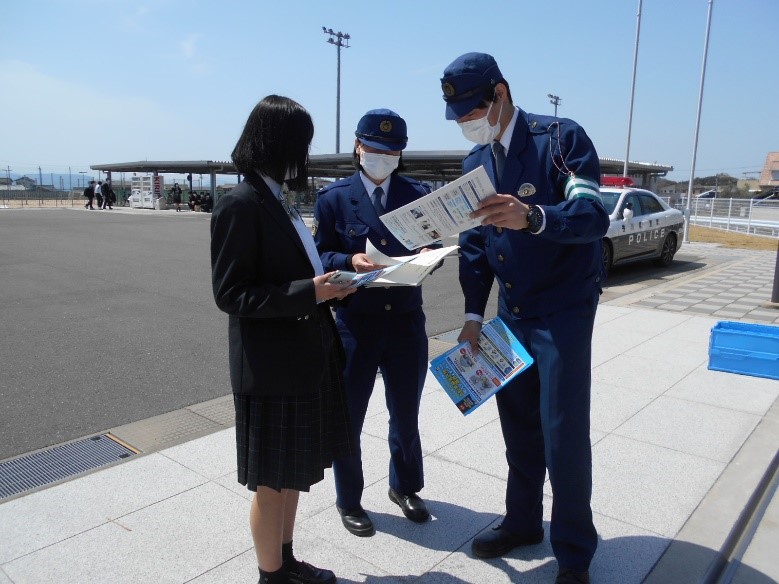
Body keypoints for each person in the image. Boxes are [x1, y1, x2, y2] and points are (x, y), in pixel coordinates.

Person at [439, 52, 610, 584]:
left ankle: (575, 553)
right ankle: (522, 522)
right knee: (518, 426)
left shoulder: (560, 141)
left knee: (562, 432)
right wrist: (472, 314)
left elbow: (592, 215)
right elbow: (473, 248)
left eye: (473, 109)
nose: (469, 121)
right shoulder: (474, 166)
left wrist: (533, 216)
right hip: (510, 313)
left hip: (562, 310)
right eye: (459, 115)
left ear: (502, 93)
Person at [211, 94, 356, 584]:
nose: (306, 154)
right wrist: (309, 292)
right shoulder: (240, 202)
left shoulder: (276, 198)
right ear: (280, 144)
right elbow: (231, 294)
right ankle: (270, 575)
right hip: (271, 367)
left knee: (292, 471)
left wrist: (332, 282)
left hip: (303, 357)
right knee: (271, 481)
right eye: (302, 143)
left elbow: (301, 274)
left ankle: (286, 560)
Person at [314, 109, 435, 537]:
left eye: (393, 151)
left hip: (404, 320)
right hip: (356, 322)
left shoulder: (418, 194)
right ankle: (350, 499)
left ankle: (405, 487)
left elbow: (433, 247)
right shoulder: (333, 197)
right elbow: (321, 254)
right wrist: (349, 260)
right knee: (350, 416)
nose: (384, 157)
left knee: (406, 413)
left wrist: (426, 256)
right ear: (358, 147)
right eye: (376, 149)